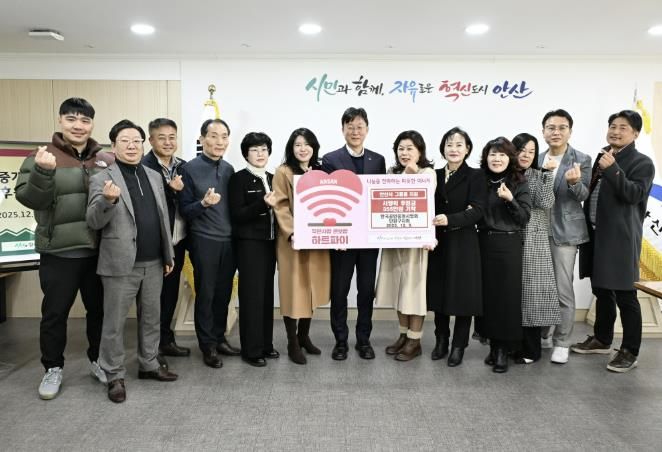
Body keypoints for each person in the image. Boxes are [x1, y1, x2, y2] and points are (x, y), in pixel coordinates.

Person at [15, 97, 114, 400]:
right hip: (59, 251)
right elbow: (30, 199)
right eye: (71, 119)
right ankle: (53, 368)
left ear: (92, 124)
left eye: (84, 120)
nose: (78, 126)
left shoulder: (105, 159)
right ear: (60, 120)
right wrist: (44, 172)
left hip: (98, 251)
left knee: (99, 311)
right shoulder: (41, 156)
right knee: (55, 314)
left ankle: (98, 360)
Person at [87, 119, 178, 404]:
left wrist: (168, 254)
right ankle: (113, 374)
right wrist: (108, 201)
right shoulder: (101, 179)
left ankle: (149, 364)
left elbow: (163, 218)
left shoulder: (153, 175)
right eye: (124, 141)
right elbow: (93, 221)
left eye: (136, 141)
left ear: (143, 144)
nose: (131, 146)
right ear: (113, 146)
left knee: (151, 317)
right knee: (114, 323)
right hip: (119, 263)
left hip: (154, 262)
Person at [573, 110, 655, 373]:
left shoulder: (642, 163)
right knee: (601, 290)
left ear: (636, 134)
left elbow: (634, 194)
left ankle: (630, 351)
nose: (615, 131)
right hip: (595, 235)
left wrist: (613, 169)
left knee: (625, 295)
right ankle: (602, 339)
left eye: (623, 127)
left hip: (620, 239)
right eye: (612, 126)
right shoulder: (604, 156)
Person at [322, 107, 386, 361]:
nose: (355, 131)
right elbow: (328, 199)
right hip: (343, 238)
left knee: (366, 291)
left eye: (360, 127)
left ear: (367, 130)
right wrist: (334, 233)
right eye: (350, 127)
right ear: (343, 130)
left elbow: (380, 197)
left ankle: (363, 340)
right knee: (339, 291)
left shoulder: (378, 160)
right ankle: (340, 341)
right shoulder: (330, 159)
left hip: (369, 238)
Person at [179, 119, 240, 369]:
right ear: (202, 139)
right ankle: (207, 346)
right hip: (204, 240)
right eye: (213, 136)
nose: (219, 142)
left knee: (223, 294)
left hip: (229, 241)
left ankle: (219, 338)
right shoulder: (189, 169)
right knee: (206, 294)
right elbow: (184, 210)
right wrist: (203, 203)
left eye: (224, 136)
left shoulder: (229, 168)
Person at [267, 128, 331, 365]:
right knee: (293, 290)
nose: (303, 149)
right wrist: (292, 232)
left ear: (314, 147)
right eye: (297, 145)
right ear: (291, 148)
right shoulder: (283, 171)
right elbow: (280, 205)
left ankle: (304, 336)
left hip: (317, 240)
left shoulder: (321, 172)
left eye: (307, 144)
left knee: (311, 289)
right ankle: (292, 342)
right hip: (292, 241)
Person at [426, 127, 486, 367]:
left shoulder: (476, 176)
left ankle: (459, 346)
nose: (454, 149)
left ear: (467, 149)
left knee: (463, 297)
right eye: (449, 144)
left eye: (459, 144)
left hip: (464, 243)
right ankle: (441, 341)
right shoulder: (433, 175)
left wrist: (451, 219)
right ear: (443, 149)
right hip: (437, 243)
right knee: (439, 294)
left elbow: (478, 211)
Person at [376, 131, 436, 361]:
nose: (405, 153)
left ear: (420, 151)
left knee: (413, 291)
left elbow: (420, 197)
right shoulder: (391, 173)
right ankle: (403, 335)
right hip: (393, 241)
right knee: (398, 289)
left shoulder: (427, 172)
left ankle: (415, 340)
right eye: (401, 149)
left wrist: (409, 176)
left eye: (410, 148)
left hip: (415, 243)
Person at [539, 109, 591, 364]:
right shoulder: (537, 158)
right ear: (543, 131)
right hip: (538, 231)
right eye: (551, 127)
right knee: (540, 287)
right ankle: (544, 334)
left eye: (561, 127)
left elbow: (583, 195)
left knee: (562, 289)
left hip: (566, 233)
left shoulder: (581, 159)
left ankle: (562, 342)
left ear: (570, 131)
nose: (556, 132)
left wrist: (573, 183)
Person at [478, 137, 531, 373]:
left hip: (509, 244)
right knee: (488, 298)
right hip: (483, 243)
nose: (496, 159)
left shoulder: (519, 182)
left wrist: (510, 200)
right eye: (492, 154)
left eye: (501, 154)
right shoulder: (480, 180)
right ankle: (493, 346)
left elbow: (524, 218)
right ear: (486, 157)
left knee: (506, 299)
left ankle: (503, 349)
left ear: (510, 158)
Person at [229, 132, 279, 367]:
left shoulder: (273, 177)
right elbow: (237, 214)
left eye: (264, 149)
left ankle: (266, 344)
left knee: (267, 295)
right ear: (246, 154)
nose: (260, 154)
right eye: (255, 150)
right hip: (249, 244)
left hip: (270, 243)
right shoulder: (238, 179)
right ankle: (251, 350)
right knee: (252, 297)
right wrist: (262, 204)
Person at [142, 118, 190, 361]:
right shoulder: (143, 167)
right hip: (155, 243)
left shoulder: (183, 166)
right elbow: (146, 207)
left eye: (172, 137)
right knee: (151, 299)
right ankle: (150, 350)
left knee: (170, 294)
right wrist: (172, 190)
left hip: (178, 241)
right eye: (162, 138)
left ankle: (165, 340)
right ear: (151, 140)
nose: (168, 142)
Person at [512, 133, 559, 364]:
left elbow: (546, 202)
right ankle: (511, 345)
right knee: (511, 294)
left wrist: (548, 174)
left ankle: (531, 350)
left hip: (533, 241)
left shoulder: (539, 175)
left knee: (532, 295)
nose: (526, 155)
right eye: (522, 150)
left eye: (531, 151)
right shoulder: (506, 175)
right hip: (509, 239)